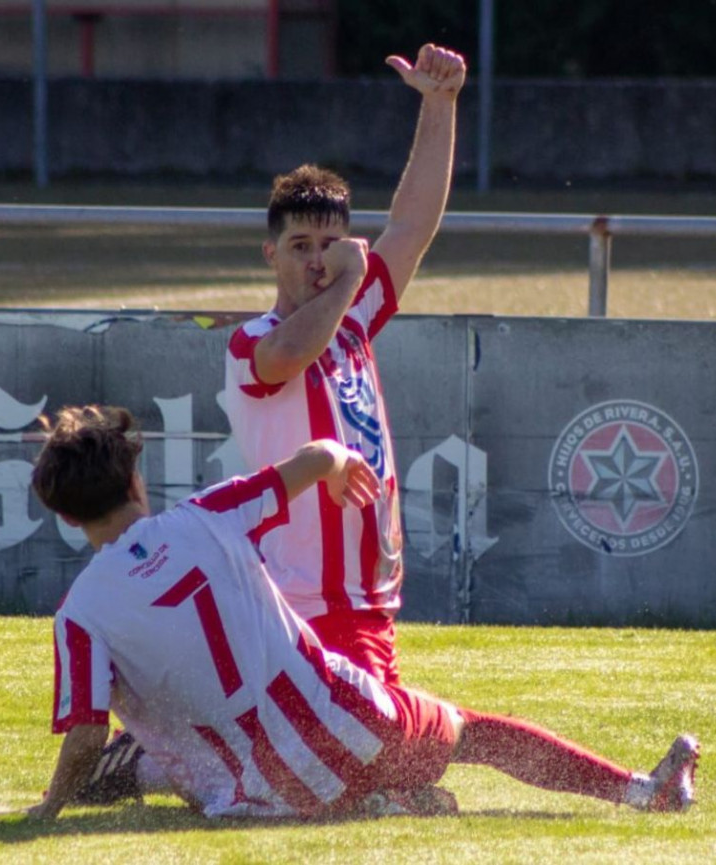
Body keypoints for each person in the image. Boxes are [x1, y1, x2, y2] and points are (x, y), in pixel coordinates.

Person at [25, 404, 699, 820]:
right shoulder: (207, 515)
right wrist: (341, 464)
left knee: (163, 756)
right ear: (137, 480)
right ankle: (642, 791)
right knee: (471, 734)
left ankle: (381, 803)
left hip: (260, 795)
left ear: (63, 514)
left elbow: (84, 733)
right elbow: (316, 454)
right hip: (352, 723)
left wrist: (48, 807)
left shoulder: (79, 612)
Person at [224, 43, 467, 687]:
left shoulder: (354, 318)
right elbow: (286, 359)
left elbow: (412, 226)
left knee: (369, 767)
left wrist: (440, 104)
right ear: (269, 255)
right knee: (372, 763)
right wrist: (347, 278)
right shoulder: (251, 341)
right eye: (300, 246)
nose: (316, 260)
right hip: (301, 602)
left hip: (369, 596)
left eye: (330, 245)